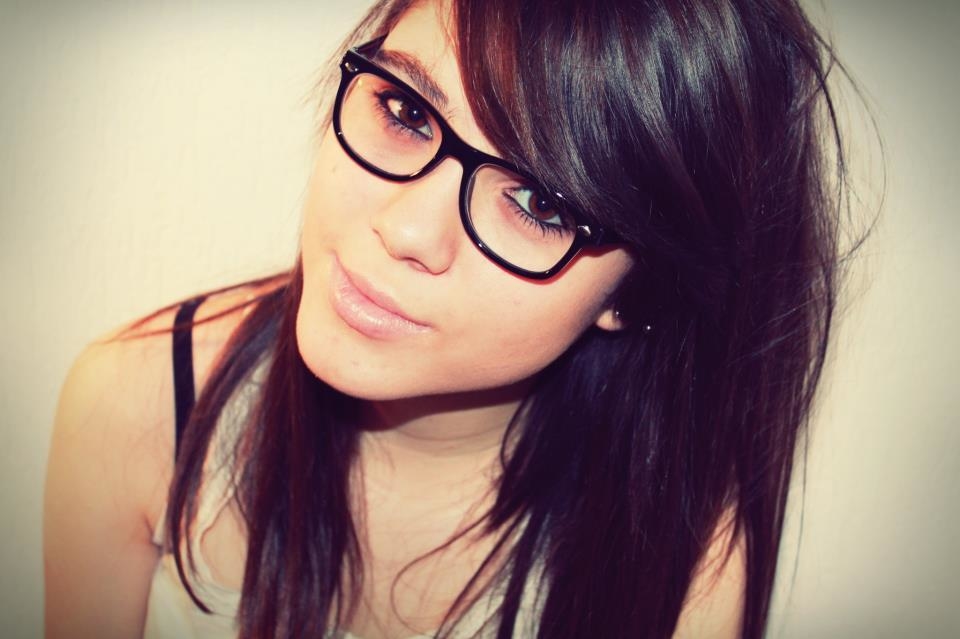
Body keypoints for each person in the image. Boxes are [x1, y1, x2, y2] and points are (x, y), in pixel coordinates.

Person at [43, 0, 853, 637]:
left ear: (640, 292)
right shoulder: (140, 401)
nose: (405, 230)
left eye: (538, 202)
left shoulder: (679, 557)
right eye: (404, 110)